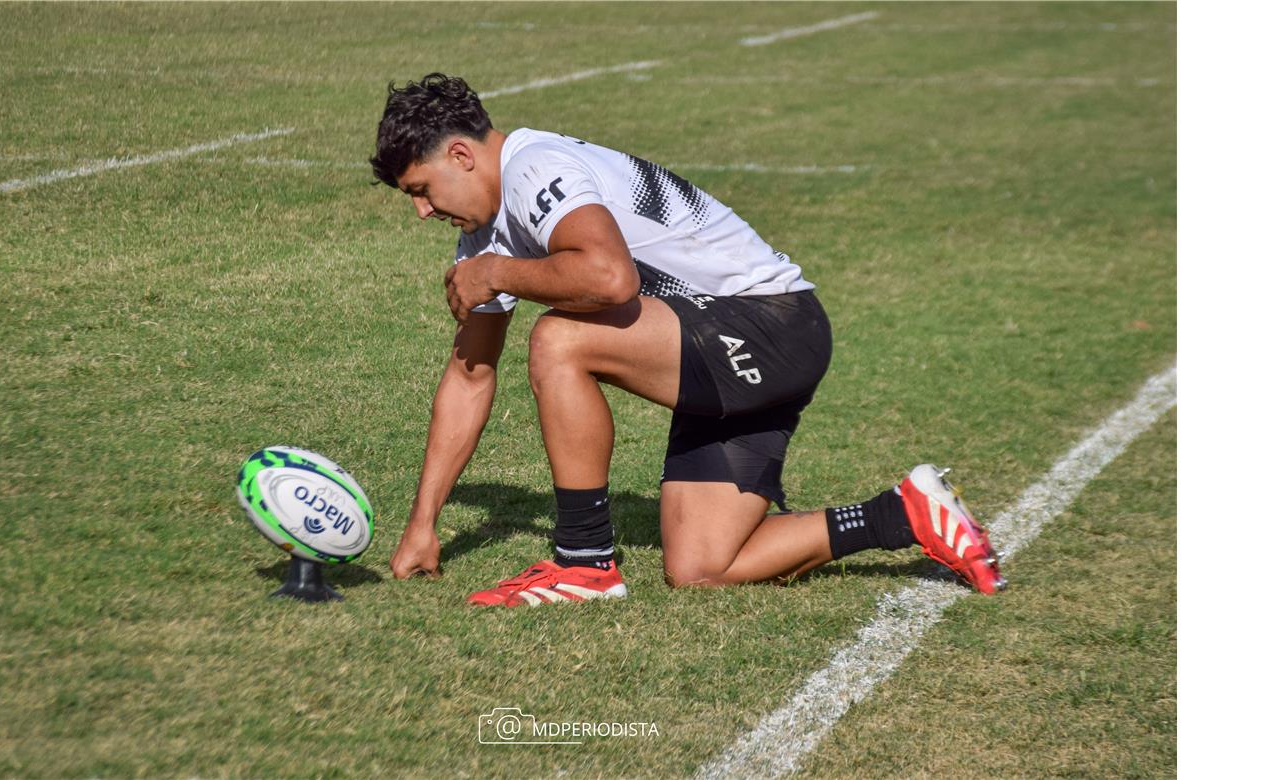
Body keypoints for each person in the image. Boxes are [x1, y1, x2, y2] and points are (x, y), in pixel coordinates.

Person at [369, 73, 1005, 606]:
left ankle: (584, 561)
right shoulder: (485, 234)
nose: (422, 211)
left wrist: (499, 274)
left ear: (459, 155)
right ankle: (905, 512)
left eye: (421, 191)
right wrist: (424, 524)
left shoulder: (535, 169)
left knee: (559, 338)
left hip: (771, 325)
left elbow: (610, 279)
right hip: (720, 344)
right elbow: (471, 374)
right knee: (702, 566)